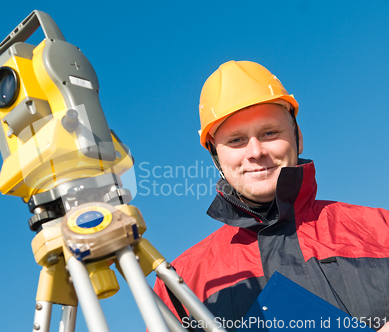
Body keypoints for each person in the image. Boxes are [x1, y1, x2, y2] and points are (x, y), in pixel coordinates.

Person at [153, 60, 389, 331]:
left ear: (297, 137)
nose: (255, 151)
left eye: (269, 133)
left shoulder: (382, 229)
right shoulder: (180, 281)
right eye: (236, 140)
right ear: (216, 156)